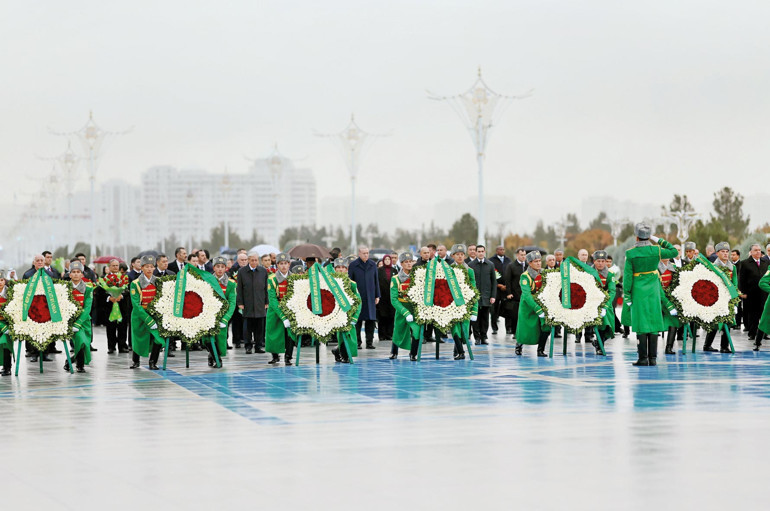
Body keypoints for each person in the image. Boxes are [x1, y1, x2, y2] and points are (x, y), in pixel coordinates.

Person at [623, 223, 679, 366]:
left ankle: (643, 358)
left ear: (636, 236)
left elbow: (628, 276)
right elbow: (673, 251)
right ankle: (653, 358)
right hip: (654, 289)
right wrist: (659, 240)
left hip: (638, 290)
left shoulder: (631, 253)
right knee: (653, 321)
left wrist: (627, 295)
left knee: (641, 322)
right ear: (649, 236)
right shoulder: (657, 250)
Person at [701, 242, 738, 353]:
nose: (726, 254)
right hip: (715, 298)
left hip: (728, 299)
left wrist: (735, 301)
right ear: (717, 253)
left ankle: (724, 346)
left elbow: (734, 283)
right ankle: (707, 345)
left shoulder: (733, 267)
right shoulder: (713, 267)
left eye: (727, 252)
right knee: (714, 322)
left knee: (728, 321)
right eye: (723, 252)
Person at [129, 255, 164, 370]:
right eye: (146, 267)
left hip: (155, 315)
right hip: (140, 316)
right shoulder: (136, 283)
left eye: (151, 267)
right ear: (142, 268)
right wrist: (148, 319)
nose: (149, 269)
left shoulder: (158, 282)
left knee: (158, 339)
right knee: (138, 338)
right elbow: (136, 305)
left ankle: (153, 361)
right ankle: (135, 361)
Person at [515, 251, 549, 357]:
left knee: (546, 325)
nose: (539, 263)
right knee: (525, 329)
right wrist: (537, 309)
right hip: (528, 306)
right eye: (536, 261)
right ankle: (519, 345)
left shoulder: (544, 273)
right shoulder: (525, 276)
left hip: (542, 303)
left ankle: (541, 349)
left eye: (540, 261)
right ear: (530, 263)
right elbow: (527, 295)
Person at [389, 252, 421, 361]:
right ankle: (394, 352)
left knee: (416, 330)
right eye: (406, 262)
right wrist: (404, 312)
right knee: (398, 330)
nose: (409, 264)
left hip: (414, 308)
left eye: (410, 261)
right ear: (401, 264)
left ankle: (413, 353)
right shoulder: (396, 279)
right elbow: (393, 299)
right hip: (401, 307)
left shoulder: (417, 276)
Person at [265, 253, 296, 366]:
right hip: (275, 310)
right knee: (273, 333)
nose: (283, 266)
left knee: (290, 334)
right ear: (277, 265)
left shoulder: (294, 278)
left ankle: (288, 356)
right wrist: (282, 316)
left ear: (289, 264)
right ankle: (275, 355)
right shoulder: (272, 279)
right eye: (281, 263)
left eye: (285, 263)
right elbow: (272, 299)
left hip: (290, 310)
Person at [330, 258, 362, 363]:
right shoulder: (330, 283)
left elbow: (358, 301)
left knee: (350, 335)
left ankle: (340, 351)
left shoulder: (352, 284)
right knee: (341, 334)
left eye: (343, 267)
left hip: (349, 313)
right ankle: (344, 354)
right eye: (338, 267)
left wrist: (355, 316)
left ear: (346, 269)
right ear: (334, 269)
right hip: (335, 313)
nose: (340, 270)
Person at [236, 250, 269, 354]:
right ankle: (248, 346)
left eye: (256, 260)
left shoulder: (263, 271)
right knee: (247, 326)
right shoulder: (242, 272)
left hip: (260, 302)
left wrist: (266, 301)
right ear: (248, 260)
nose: (254, 262)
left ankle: (258, 346)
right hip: (247, 302)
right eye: (252, 260)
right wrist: (240, 302)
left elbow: (265, 288)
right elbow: (239, 288)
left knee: (260, 326)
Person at [206, 256, 236, 367]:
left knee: (220, 338)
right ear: (213, 268)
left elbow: (232, 302)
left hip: (222, 316)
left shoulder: (231, 284)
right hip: (208, 315)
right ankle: (215, 358)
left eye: (222, 267)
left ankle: (214, 356)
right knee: (207, 337)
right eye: (217, 266)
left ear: (225, 268)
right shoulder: (207, 281)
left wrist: (225, 318)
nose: (220, 269)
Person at [449, 244, 478, 360]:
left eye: (462, 255)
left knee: (464, 329)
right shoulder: (448, 270)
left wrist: (474, 308)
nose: (460, 257)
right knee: (454, 327)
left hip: (465, 303)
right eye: (457, 255)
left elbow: (474, 288)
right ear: (453, 256)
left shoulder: (469, 271)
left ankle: (457, 350)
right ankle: (460, 352)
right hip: (451, 303)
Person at [348, 246, 380, 350]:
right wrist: (352, 295)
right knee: (358, 320)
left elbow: (376, 281)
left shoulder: (372, 265)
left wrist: (377, 295)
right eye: (364, 253)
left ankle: (369, 342)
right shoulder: (353, 265)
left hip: (370, 296)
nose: (366, 255)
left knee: (370, 321)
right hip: (359, 296)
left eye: (367, 253)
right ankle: (358, 342)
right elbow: (350, 282)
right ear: (359, 254)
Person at [64, 261, 93, 373]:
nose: (76, 274)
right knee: (80, 341)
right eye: (73, 272)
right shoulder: (65, 288)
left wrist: (79, 322)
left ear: (82, 274)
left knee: (85, 343)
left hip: (84, 321)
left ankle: (70, 361)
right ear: (69, 274)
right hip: (71, 320)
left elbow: (87, 307)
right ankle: (80, 366)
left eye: (78, 272)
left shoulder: (88, 288)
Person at [740, 244, 770, 344]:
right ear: (751, 252)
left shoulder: (766, 262)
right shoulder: (745, 263)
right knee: (753, 314)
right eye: (756, 250)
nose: (758, 252)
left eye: (759, 250)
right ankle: (752, 333)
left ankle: (764, 333)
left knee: (764, 312)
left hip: (764, 293)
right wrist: (742, 292)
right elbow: (742, 279)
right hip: (751, 293)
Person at [468, 245, 496, 345]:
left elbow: (493, 281)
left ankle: (484, 336)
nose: (480, 253)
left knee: (485, 318)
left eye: (482, 251)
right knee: (475, 317)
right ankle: (477, 337)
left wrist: (493, 296)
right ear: (475, 252)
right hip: (475, 296)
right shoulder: (471, 265)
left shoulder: (490, 264)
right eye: (478, 251)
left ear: (485, 252)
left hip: (486, 296)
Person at [591, 250, 616, 354]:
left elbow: (612, 291)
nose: (600, 263)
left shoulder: (610, 274)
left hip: (605, 302)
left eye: (602, 261)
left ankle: (598, 342)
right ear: (594, 261)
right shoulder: (588, 272)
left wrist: (605, 306)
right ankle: (600, 347)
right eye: (598, 261)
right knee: (602, 322)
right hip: (590, 301)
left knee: (609, 325)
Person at [104, 258, 130, 354]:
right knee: (111, 327)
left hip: (122, 305)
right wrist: (109, 298)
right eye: (113, 265)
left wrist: (121, 295)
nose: (115, 267)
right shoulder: (105, 278)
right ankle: (111, 347)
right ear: (109, 267)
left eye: (117, 265)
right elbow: (101, 292)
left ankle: (122, 345)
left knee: (122, 327)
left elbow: (128, 290)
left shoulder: (124, 278)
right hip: (110, 306)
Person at [658, 258, 682, 354]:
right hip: (657, 298)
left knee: (674, 320)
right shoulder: (654, 268)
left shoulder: (674, 267)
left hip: (670, 297)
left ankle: (669, 347)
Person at [503, 248, 527, 339]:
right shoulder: (511, 266)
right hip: (515, 294)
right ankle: (515, 332)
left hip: (525, 294)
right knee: (515, 315)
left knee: (525, 315)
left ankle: (524, 332)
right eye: (521, 255)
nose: (523, 256)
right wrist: (508, 293)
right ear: (517, 255)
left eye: (524, 255)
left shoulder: (528, 266)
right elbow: (508, 280)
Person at [227, 252, 248, 348]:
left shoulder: (249, 270)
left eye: (245, 260)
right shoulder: (232, 271)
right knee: (236, 321)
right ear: (237, 261)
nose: (243, 262)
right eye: (241, 260)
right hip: (235, 299)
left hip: (246, 298)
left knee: (245, 320)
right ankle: (237, 339)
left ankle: (245, 338)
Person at [490, 245, 512, 335]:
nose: (502, 251)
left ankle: (508, 328)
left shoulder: (508, 260)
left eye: (503, 249)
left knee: (508, 308)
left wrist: (507, 285)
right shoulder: (491, 261)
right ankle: (494, 327)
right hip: (496, 288)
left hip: (506, 288)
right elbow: (491, 275)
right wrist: (498, 285)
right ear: (496, 251)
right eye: (500, 249)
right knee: (494, 309)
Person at [377, 254, 396, 341]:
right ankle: (382, 335)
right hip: (382, 297)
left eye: (389, 259)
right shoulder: (379, 270)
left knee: (391, 316)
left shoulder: (394, 270)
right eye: (386, 259)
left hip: (391, 297)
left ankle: (390, 334)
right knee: (382, 317)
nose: (387, 261)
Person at [0, 272, 13, 376]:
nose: (0, 282)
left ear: (4, 281)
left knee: (5, 341)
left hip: (7, 323)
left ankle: (7, 367)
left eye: (1, 280)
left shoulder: (10, 293)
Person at [731, 249, 743, 330]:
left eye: (734, 255)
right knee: (732, 305)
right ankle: (732, 322)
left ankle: (738, 323)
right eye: (731, 255)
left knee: (738, 306)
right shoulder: (730, 265)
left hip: (739, 289)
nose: (732, 256)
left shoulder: (741, 265)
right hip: (731, 288)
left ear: (738, 256)